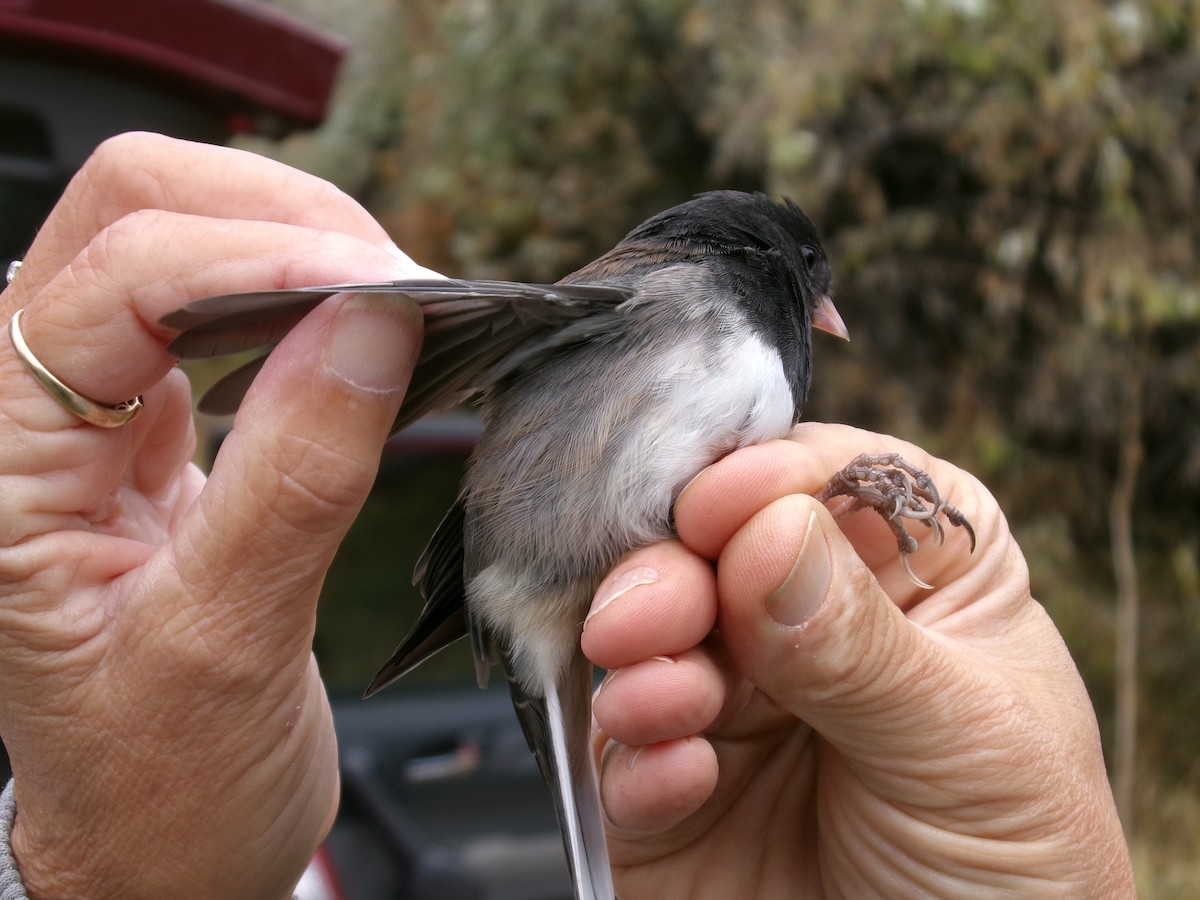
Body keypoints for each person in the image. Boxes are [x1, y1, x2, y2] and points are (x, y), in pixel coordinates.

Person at [0, 132, 1132, 899]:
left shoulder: (744, 348)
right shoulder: (676, 286)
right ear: (773, 264)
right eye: (812, 275)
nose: (822, 308)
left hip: (587, 565)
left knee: (752, 543)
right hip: (540, 554)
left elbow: (700, 509)